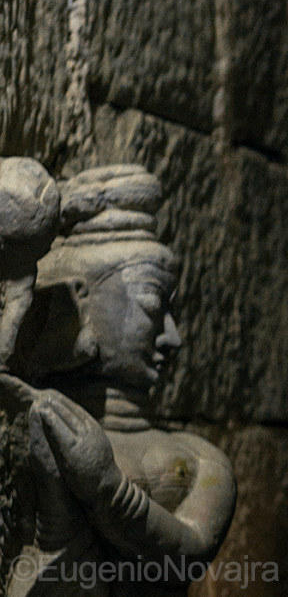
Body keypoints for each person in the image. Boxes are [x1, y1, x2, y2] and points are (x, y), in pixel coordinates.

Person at [1, 165, 236, 597]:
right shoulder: (32, 426)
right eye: (153, 308)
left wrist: (108, 488)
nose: (172, 337)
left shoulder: (202, 458)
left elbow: (193, 549)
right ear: (79, 304)